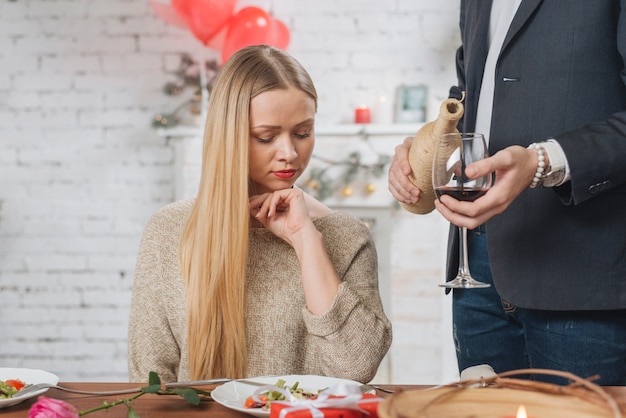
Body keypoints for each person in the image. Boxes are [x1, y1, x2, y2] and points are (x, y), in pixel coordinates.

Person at [388, 1, 626, 385]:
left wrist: (543, 161)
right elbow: (473, 98)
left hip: (580, 278)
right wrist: (423, 148)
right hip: (477, 273)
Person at [128, 45, 392, 384]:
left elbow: (356, 369)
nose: (290, 153)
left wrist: (306, 240)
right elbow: (149, 378)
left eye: (303, 132)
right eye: (265, 137)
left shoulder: (347, 236)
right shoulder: (168, 231)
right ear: (230, 137)